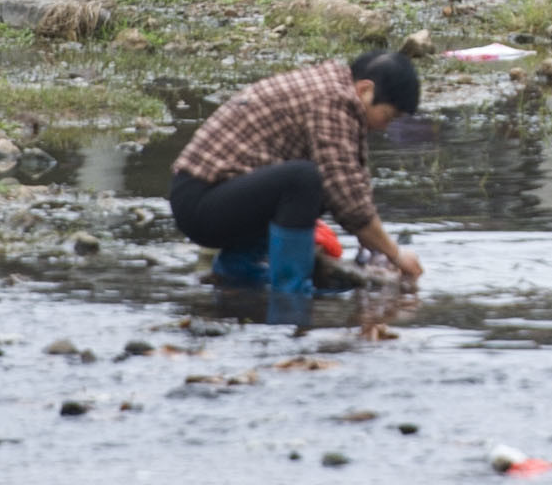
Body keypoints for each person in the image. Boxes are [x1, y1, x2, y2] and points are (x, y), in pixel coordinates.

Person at [169, 50, 427, 315]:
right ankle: (290, 299)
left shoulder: (338, 94)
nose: (385, 127)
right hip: (201, 202)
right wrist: (396, 256)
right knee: (305, 179)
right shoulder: (334, 100)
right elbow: (349, 202)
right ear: (365, 90)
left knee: (315, 183)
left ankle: (238, 273)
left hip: (221, 196)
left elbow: (352, 179)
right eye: (388, 116)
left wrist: (373, 249)